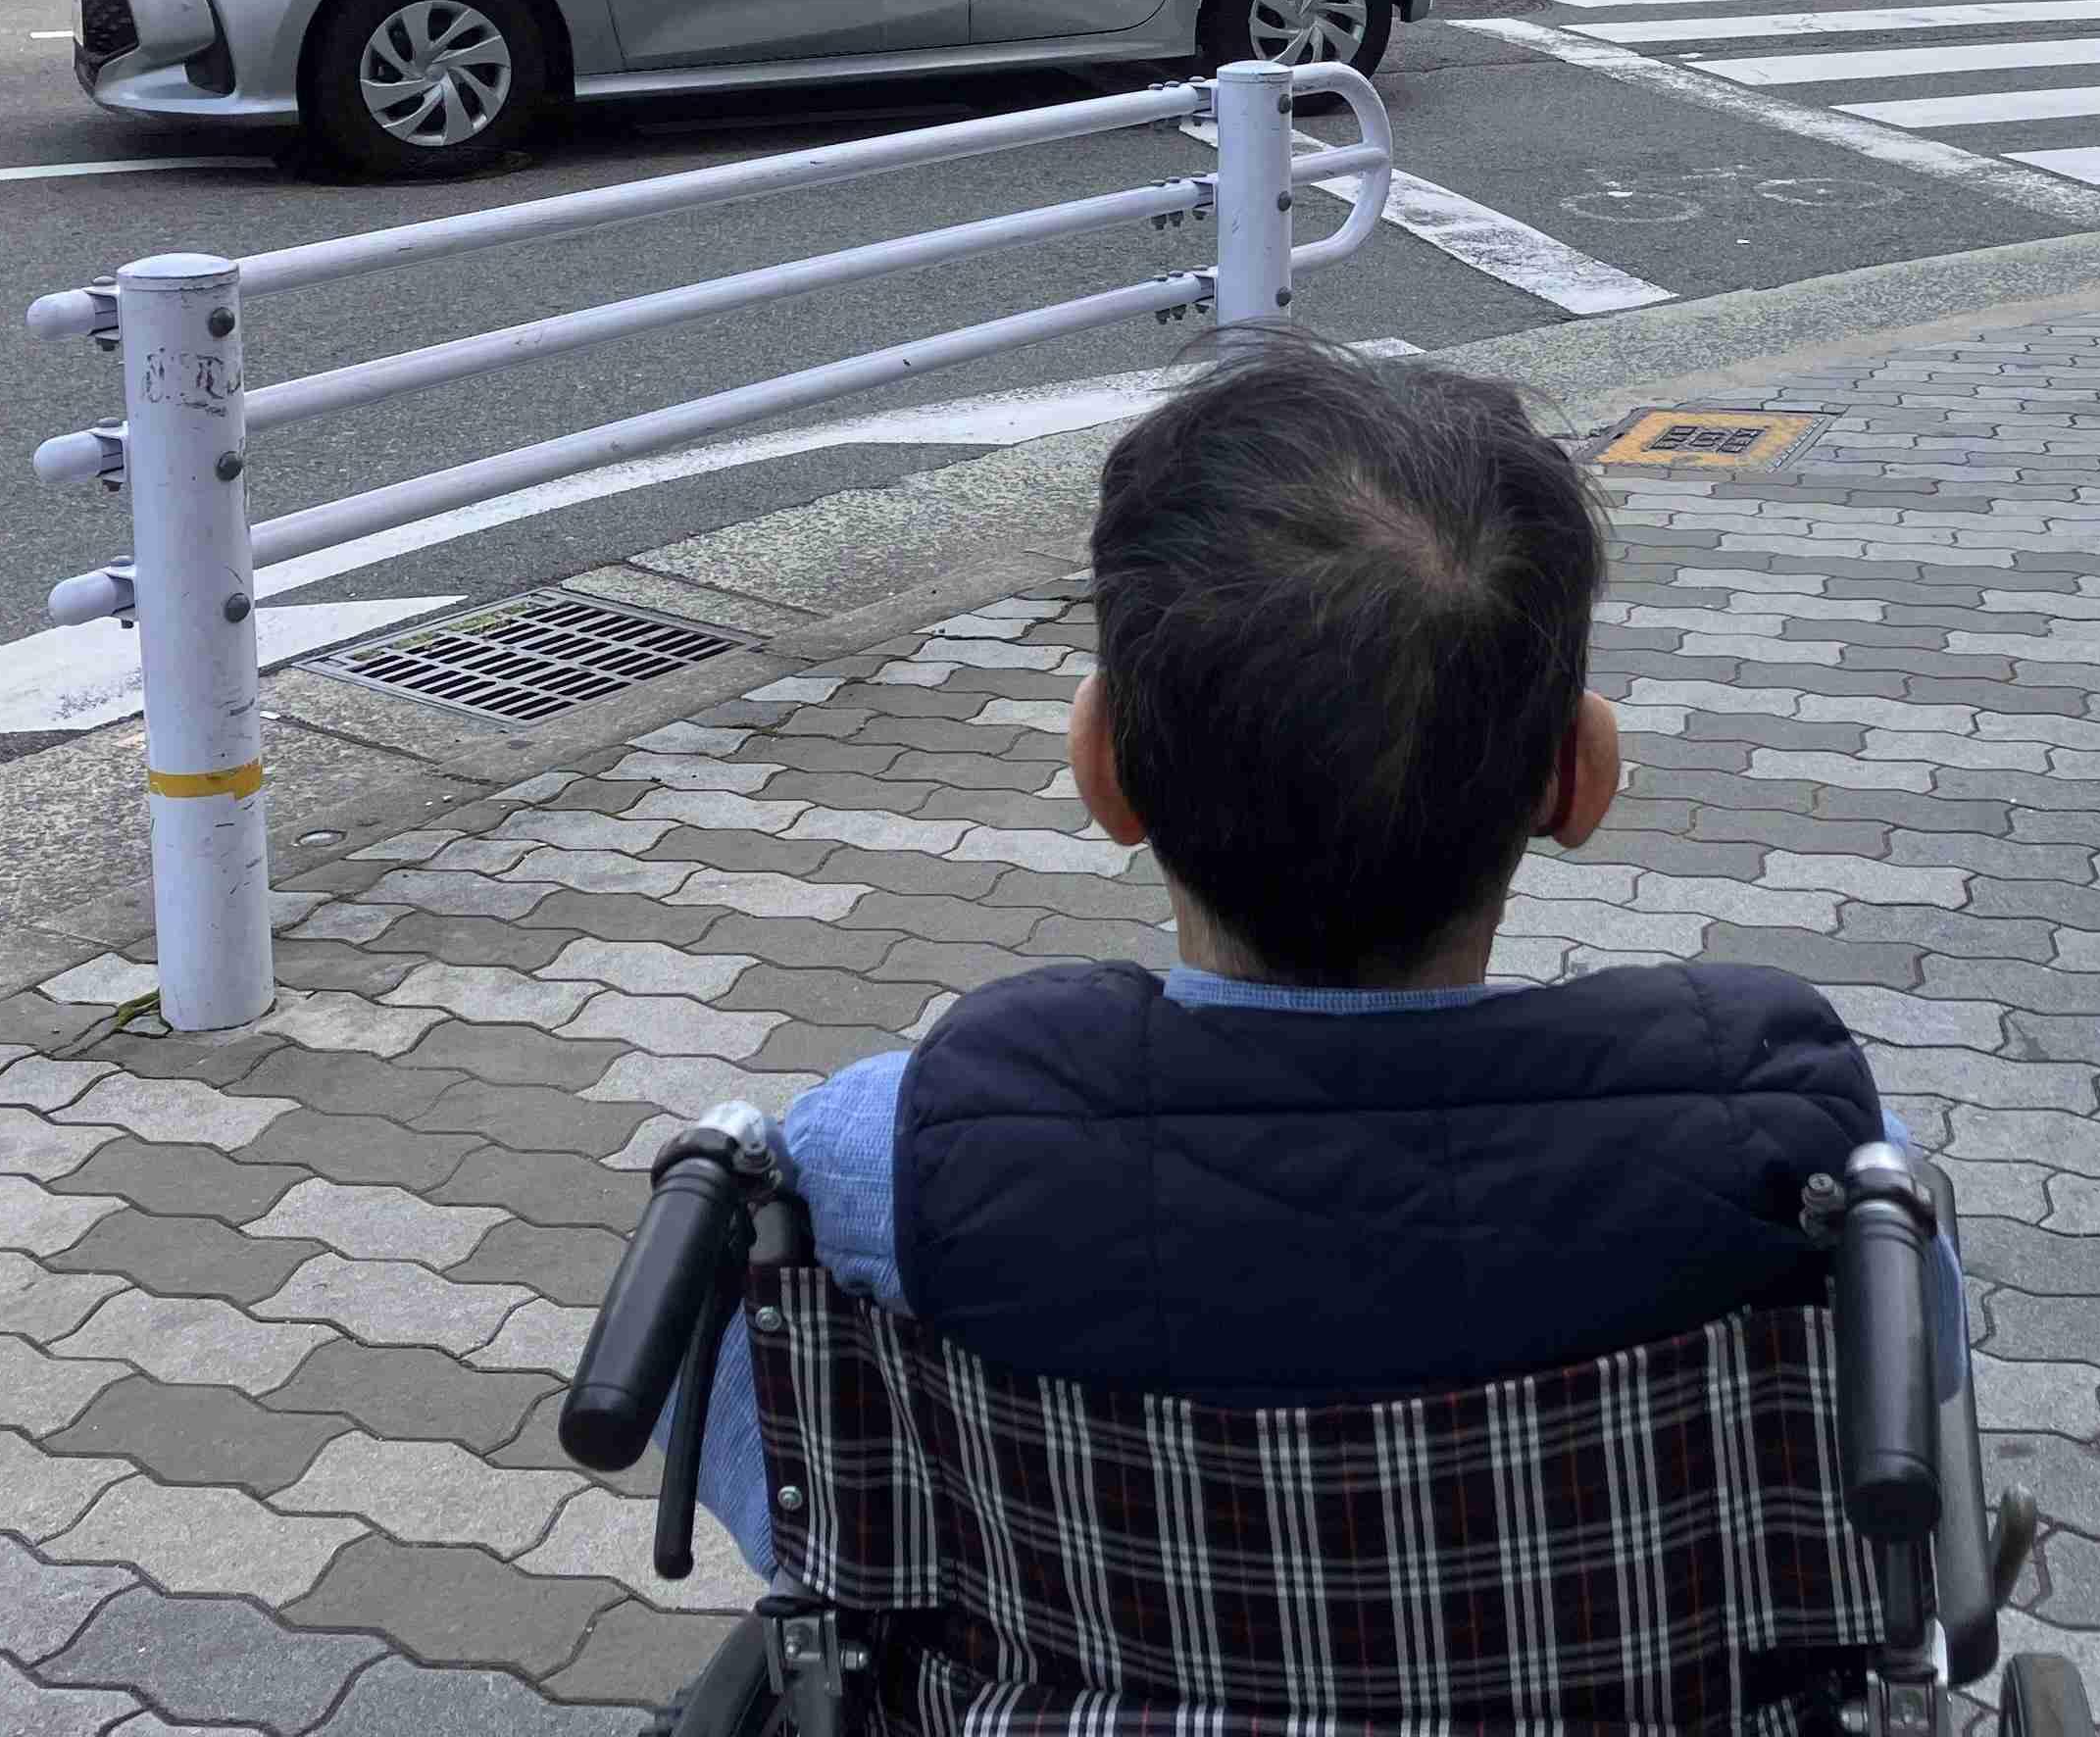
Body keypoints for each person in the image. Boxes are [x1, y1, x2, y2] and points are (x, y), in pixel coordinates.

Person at [682, 340, 1916, 1565]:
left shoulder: (878, 1165)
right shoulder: (1814, 1167)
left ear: (1104, 769)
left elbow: (785, 1521)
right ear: (1578, 777)